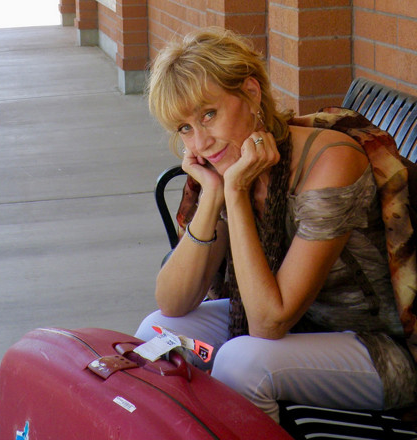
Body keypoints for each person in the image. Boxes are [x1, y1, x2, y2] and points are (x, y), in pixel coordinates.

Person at [135, 27, 417, 423]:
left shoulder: (330, 162)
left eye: (208, 115)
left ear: (251, 92)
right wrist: (213, 192)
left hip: (382, 351)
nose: (200, 144)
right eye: (185, 129)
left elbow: (268, 321)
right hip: (298, 332)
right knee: (157, 331)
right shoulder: (228, 166)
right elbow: (173, 302)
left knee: (244, 362)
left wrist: (235, 193)